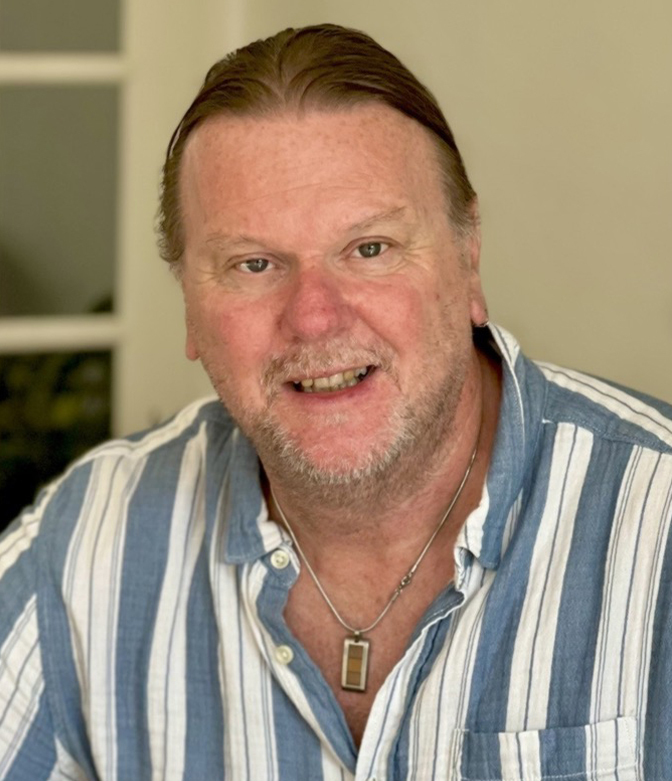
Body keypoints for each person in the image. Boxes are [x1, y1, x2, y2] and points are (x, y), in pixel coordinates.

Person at [1, 23, 671, 780]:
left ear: (468, 254)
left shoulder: (659, 524)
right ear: (188, 302)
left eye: (370, 249)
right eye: (254, 264)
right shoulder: (88, 541)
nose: (315, 315)